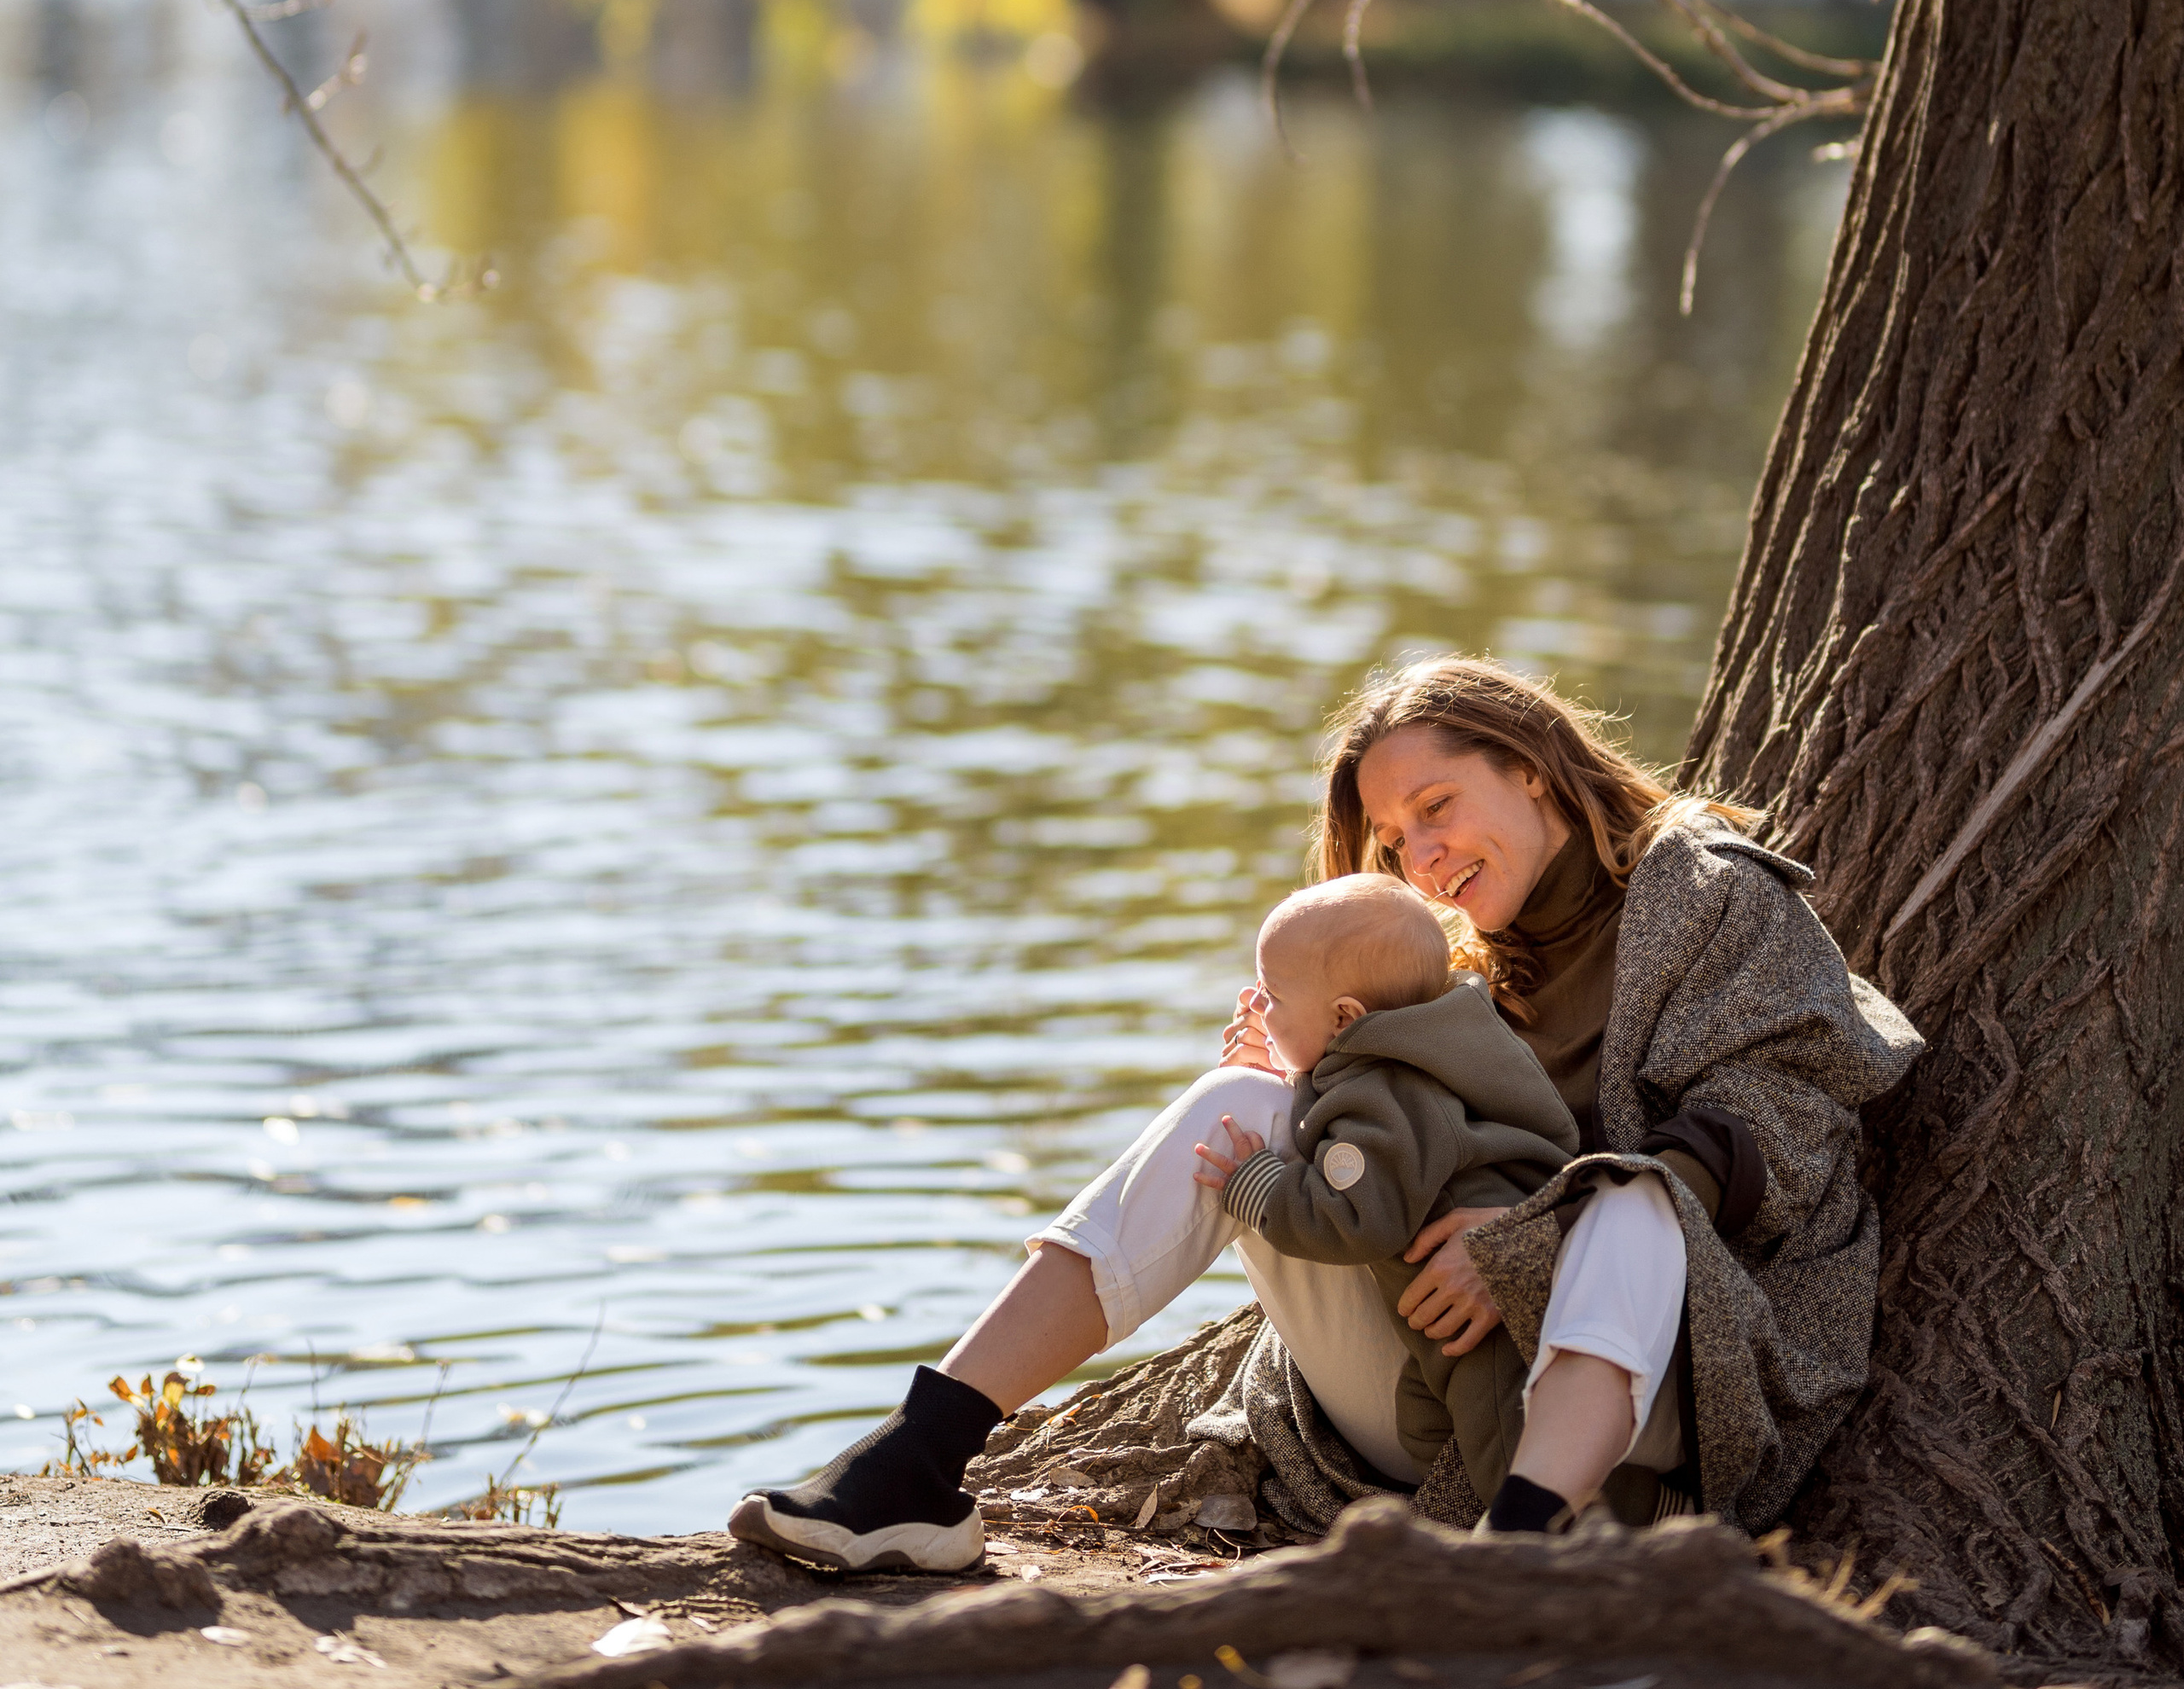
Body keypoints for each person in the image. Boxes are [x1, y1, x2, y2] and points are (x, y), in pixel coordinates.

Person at [728, 655, 1922, 1575]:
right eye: (1396, 839)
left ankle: (1519, 1560)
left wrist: (1535, 1235)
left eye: (1441, 804)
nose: (1425, 854)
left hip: (1667, 1403)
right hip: (1432, 1399)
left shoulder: (1705, 896)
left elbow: (1795, 1112)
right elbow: (1387, 1168)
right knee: (1237, 1103)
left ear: (1537, 770)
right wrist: (1308, 1095)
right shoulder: (1440, 974)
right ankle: (919, 1462)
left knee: (1634, 1202)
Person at [1187, 872, 1577, 1489]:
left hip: (1488, 1316)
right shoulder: (1422, 1049)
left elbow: (1357, 1220)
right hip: (1442, 1316)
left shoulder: (1384, 1095)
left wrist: (1258, 1184)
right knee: (1432, 1429)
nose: (1257, 1008)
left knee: (1510, 1453)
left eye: (1273, 996)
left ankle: (1623, 1521)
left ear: (1345, 1017)